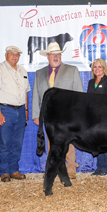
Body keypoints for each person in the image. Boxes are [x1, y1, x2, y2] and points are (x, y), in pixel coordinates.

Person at [32, 42, 83, 179]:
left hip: (68, 114)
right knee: (51, 142)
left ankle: (70, 168)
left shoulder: (72, 70)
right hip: (49, 115)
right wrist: (36, 115)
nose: (55, 56)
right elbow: (36, 94)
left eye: (58, 54)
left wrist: (78, 113)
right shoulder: (39, 73)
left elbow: (79, 94)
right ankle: (52, 169)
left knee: (70, 141)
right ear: (47, 56)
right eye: (52, 54)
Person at [0, 46, 30, 182]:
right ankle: (4, 171)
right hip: (5, 109)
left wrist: (26, 110)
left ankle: (14, 169)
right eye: (11, 54)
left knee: (17, 142)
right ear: (6, 55)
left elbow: (25, 92)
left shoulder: (22, 70)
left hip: (20, 109)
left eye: (17, 54)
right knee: (5, 142)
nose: (14, 56)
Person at [87, 58, 107, 176]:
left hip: (106, 117)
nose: (97, 69)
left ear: (104, 68)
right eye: (95, 67)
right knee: (98, 142)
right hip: (94, 118)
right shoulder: (90, 82)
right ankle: (99, 167)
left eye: (99, 67)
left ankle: (106, 168)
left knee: (106, 142)